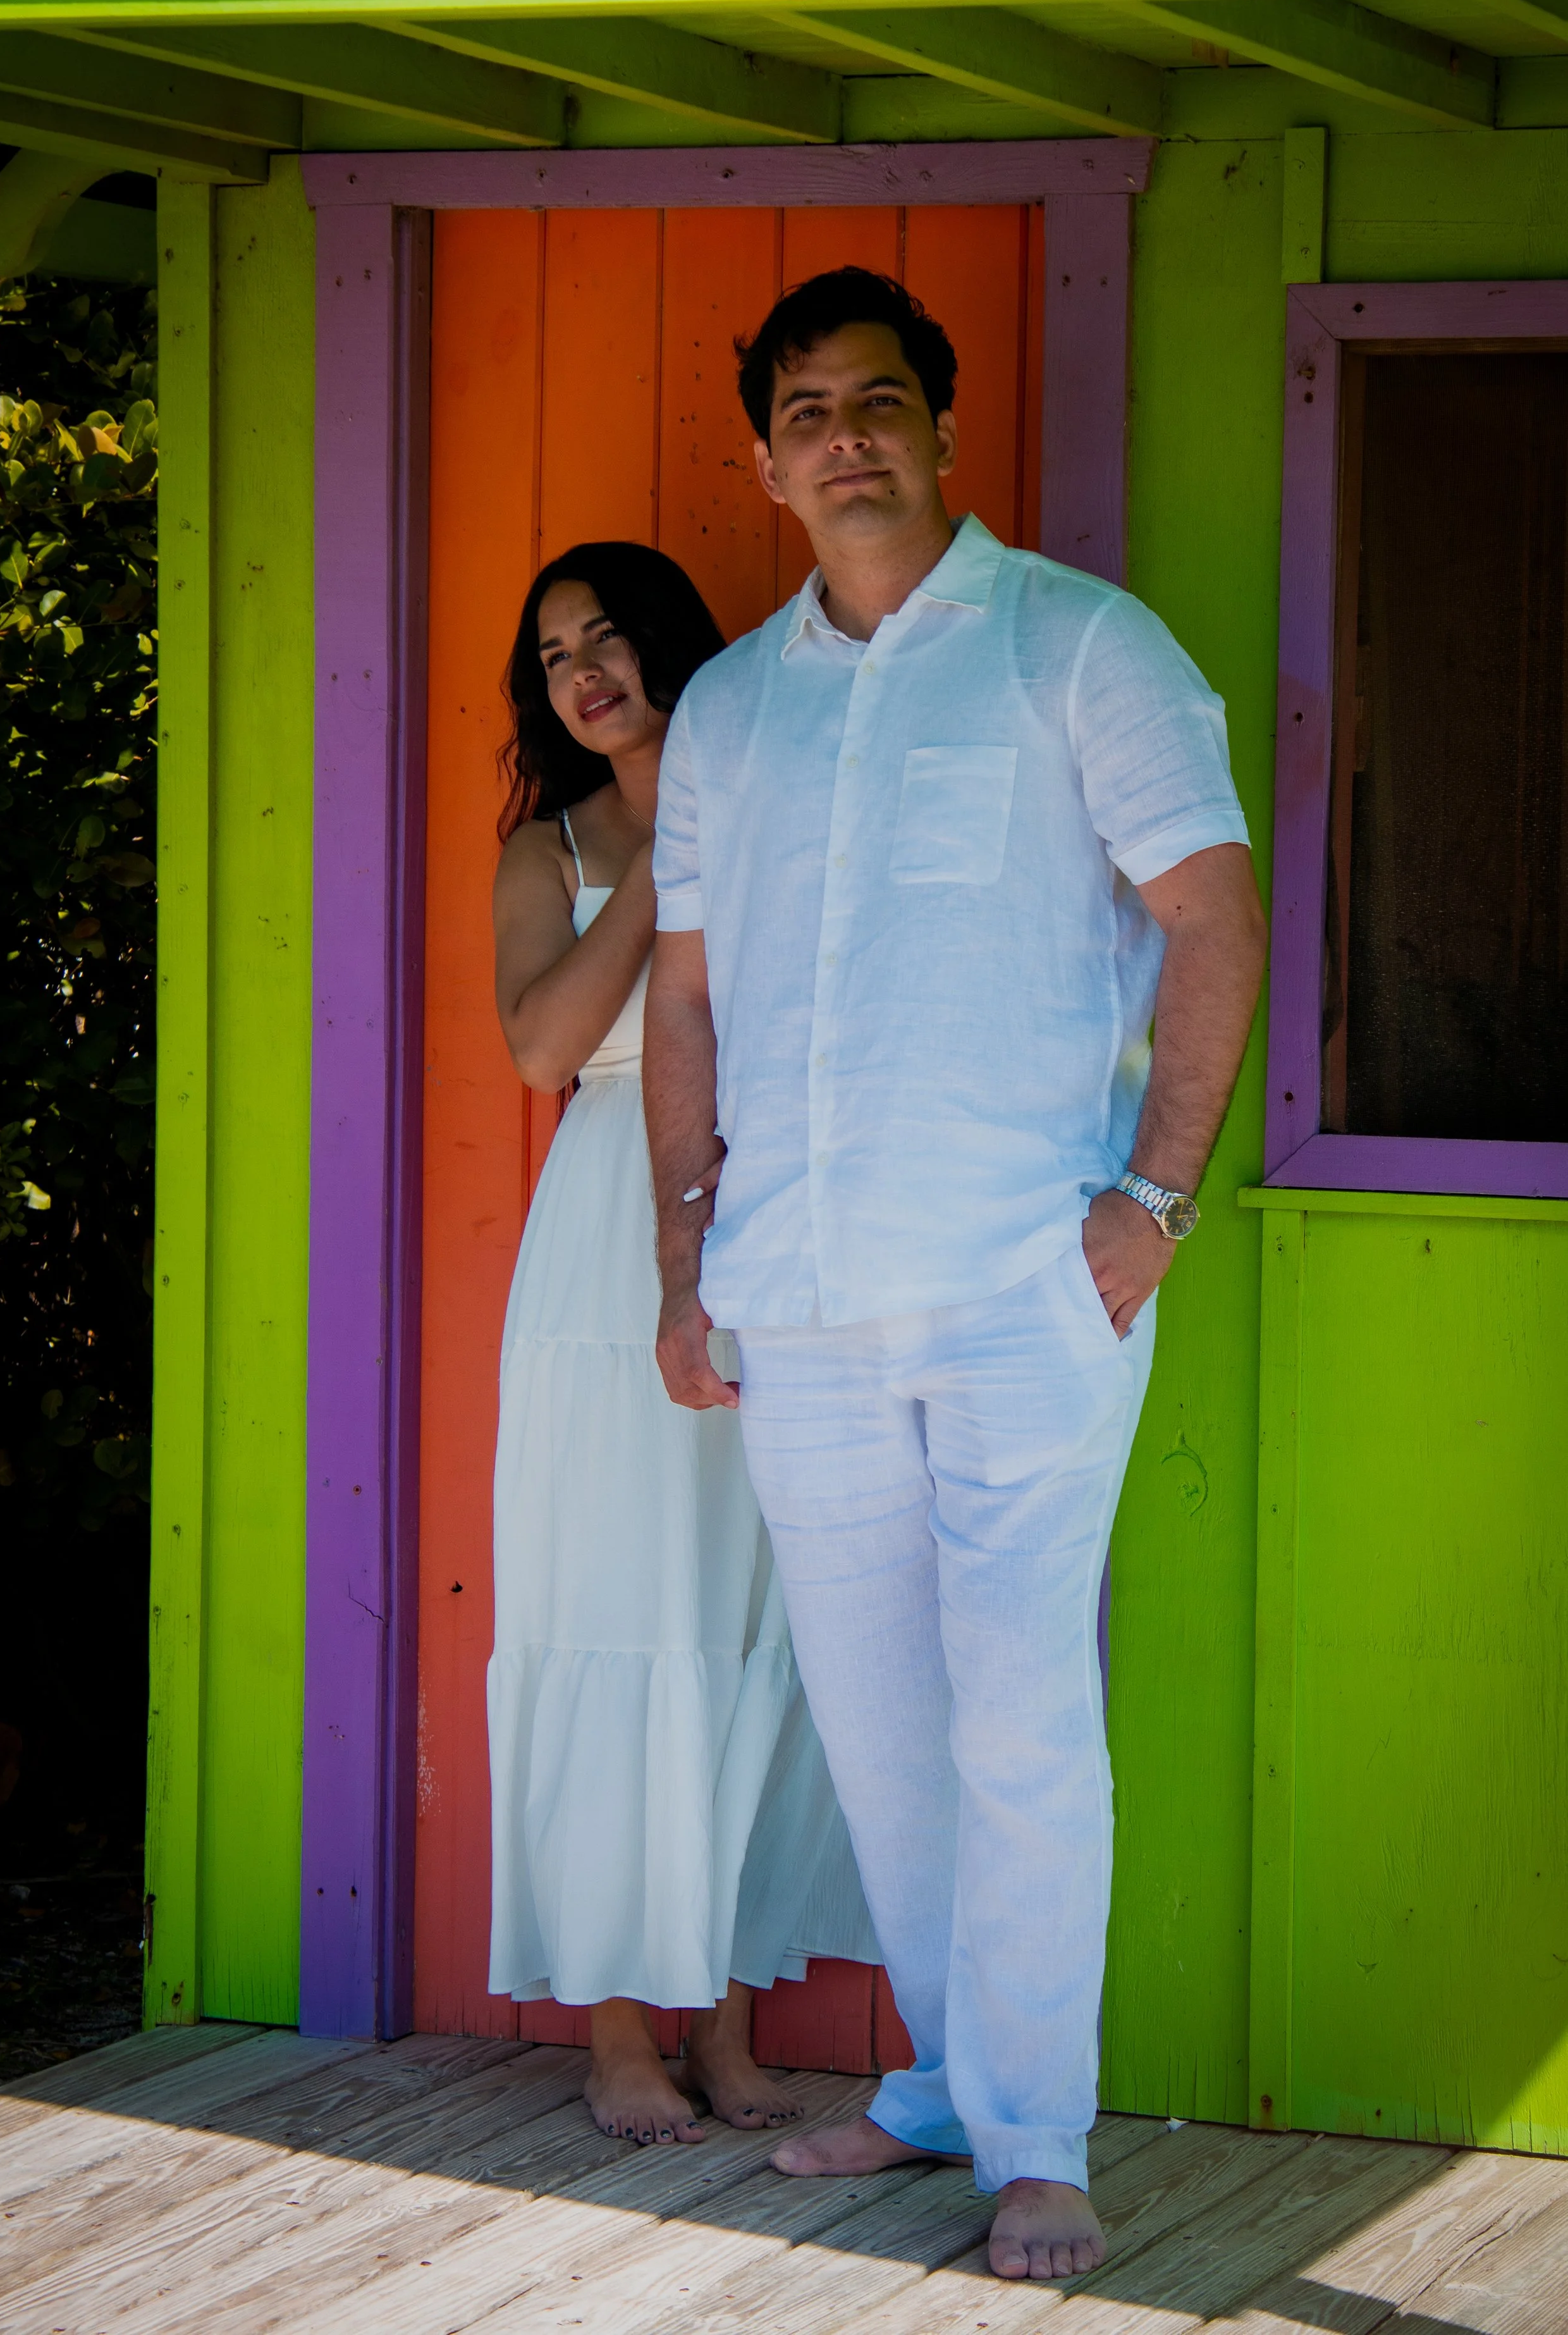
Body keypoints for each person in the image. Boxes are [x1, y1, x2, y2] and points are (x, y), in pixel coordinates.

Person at [643, 272, 1268, 2276]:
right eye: (805, 412)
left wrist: (1151, 1199)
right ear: (766, 462)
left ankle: (1040, 2136)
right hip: (797, 1291)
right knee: (881, 1730)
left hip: (1022, 1283)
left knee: (1018, 1720)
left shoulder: (1078, 645)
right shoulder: (730, 708)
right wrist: (684, 1254)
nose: (843, 438)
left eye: (877, 401)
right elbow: (684, 996)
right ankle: (939, 2085)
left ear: (938, 427)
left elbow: (1213, 915)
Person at [487, 539, 877, 2152]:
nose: (584, 672)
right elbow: (543, 1046)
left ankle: (721, 2020)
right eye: (554, 655)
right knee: (611, 1608)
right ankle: (614, 2034)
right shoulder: (552, 848)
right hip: (600, 1257)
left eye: (606, 637)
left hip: (765, 1223)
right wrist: (665, 859)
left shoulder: (785, 795)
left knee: (744, 1613)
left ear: (667, 643)